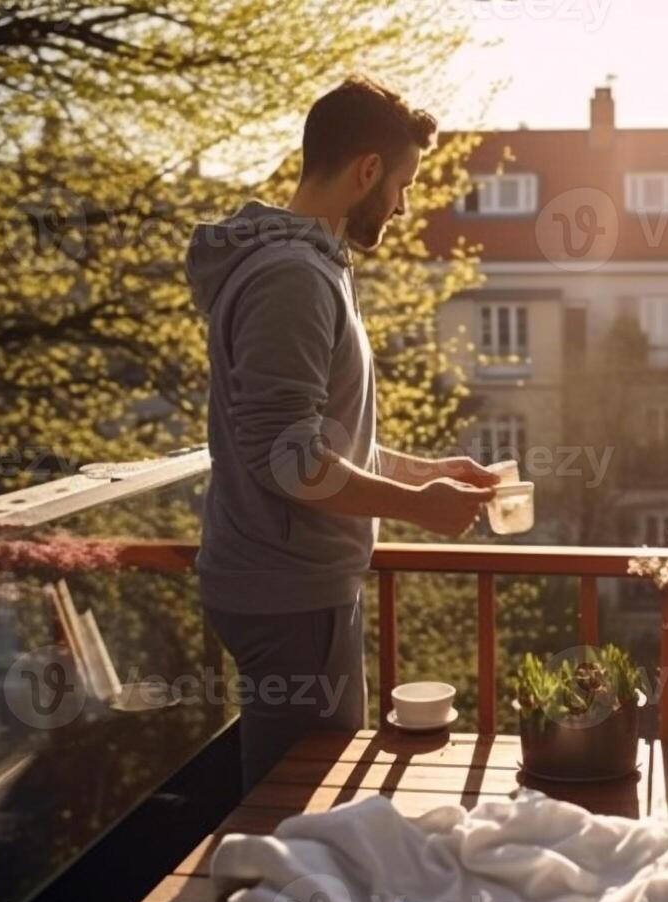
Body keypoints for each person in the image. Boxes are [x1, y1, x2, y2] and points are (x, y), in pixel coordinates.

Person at [185, 76, 497, 791]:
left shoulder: (306, 266)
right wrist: (418, 508)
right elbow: (288, 460)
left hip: (294, 584)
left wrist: (423, 473)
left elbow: (319, 444)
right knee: (296, 809)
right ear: (366, 170)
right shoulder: (292, 279)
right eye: (403, 184)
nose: (403, 203)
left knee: (303, 800)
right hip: (290, 594)